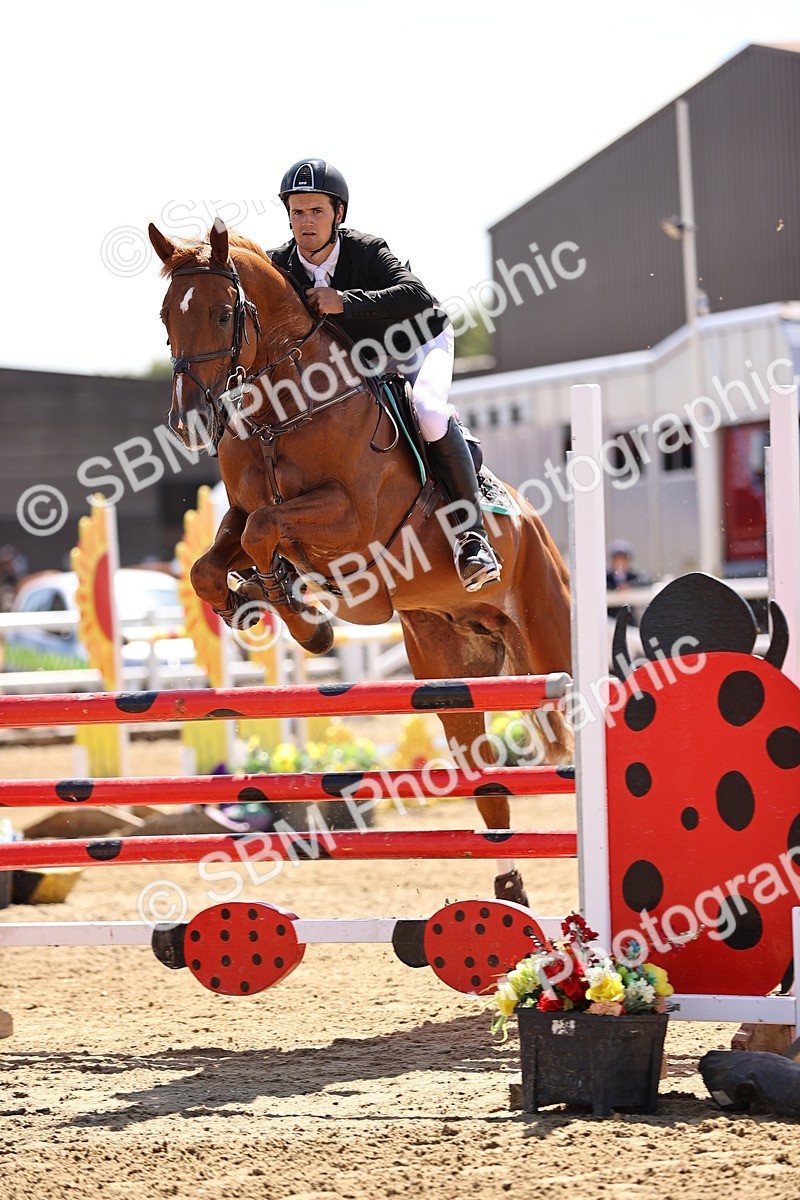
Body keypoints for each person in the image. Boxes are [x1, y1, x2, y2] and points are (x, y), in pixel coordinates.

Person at [268, 158, 502, 593]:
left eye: (316, 210)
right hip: (358, 361)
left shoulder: (367, 249)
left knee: (429, 412)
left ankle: (472, 539)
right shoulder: (279, 265)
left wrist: (345, 301)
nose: (306, 221)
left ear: (338, 213)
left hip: (415, 341)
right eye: (297, 211)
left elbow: (418, 296)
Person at [606, 539, 646, 621]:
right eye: (617, 559)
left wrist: (630, 586)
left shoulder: (634, 576)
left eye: (623, 559)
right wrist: (615, 590)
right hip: (610, 619)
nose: (620, 562)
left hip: (629, 621)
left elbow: (646, 581)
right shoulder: (606, 578)